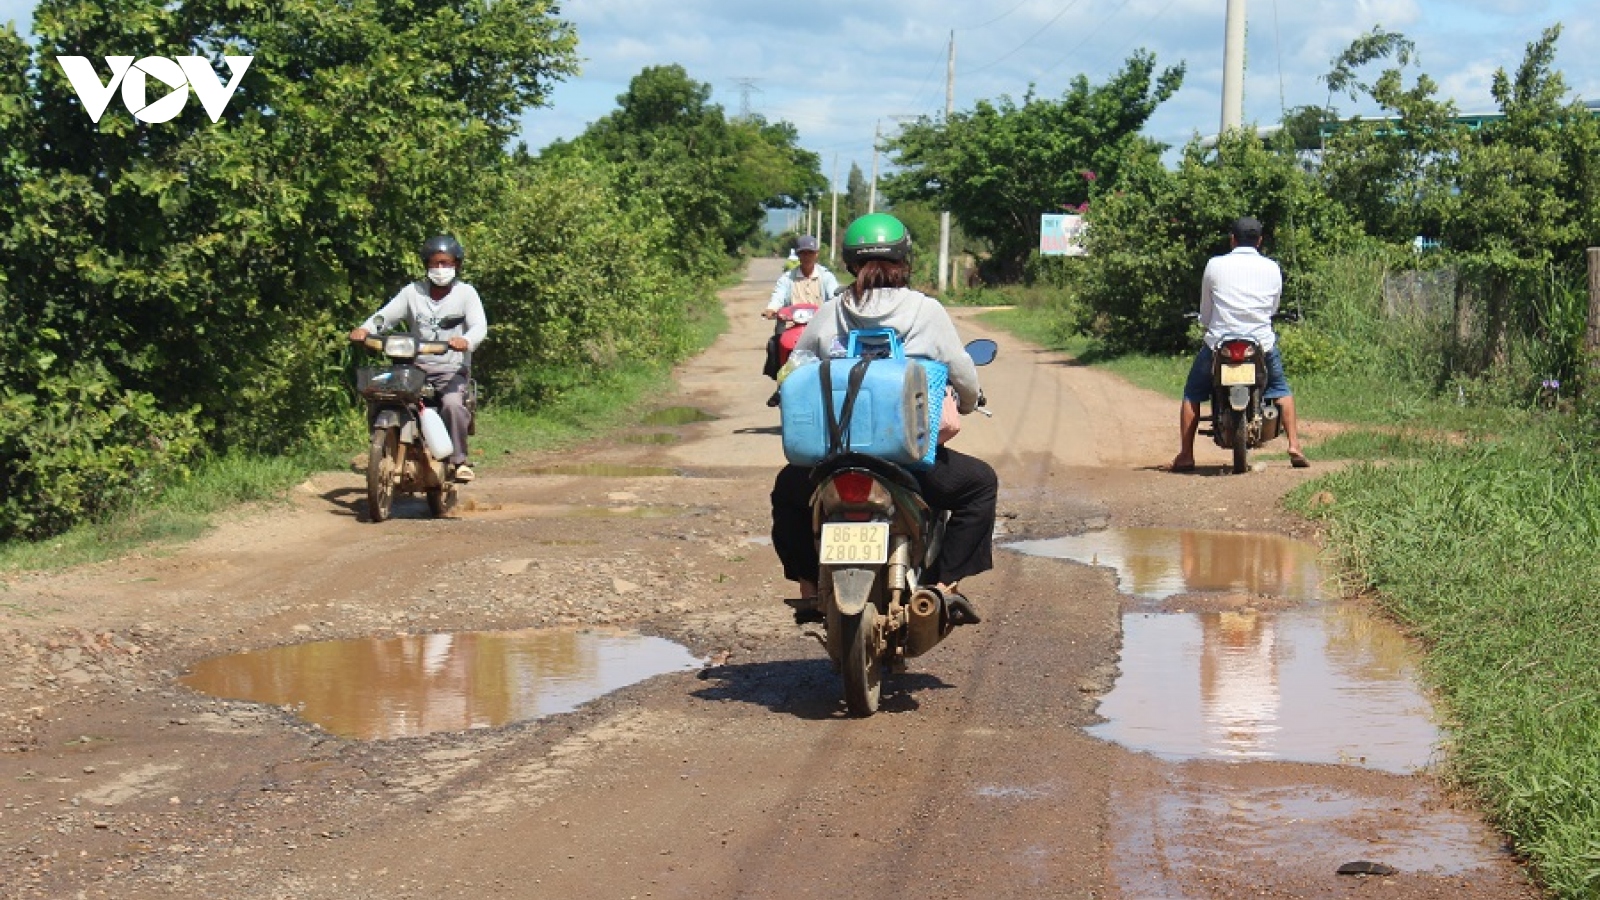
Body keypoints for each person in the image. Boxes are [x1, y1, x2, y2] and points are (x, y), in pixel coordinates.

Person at [770, 213, 998, 624]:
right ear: (905, 260)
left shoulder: (831, 311)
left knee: (788, 492)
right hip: (908, 462)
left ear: (850, 262)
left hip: (832, 463)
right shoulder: (925, 311)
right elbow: (960, 368)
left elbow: (797, 366)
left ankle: (807, 587)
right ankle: (943, 588)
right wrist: (967, 400)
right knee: (979, 485)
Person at [1171, 216, 1308, 472]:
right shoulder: (1272, 268)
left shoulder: (1215, 265)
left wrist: (1207, 321)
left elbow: (1206, 309)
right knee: (1280, 390)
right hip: (1260, 344)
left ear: (1232, 239)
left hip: (1219, 344)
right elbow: (1273, 307)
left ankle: (1186, 454)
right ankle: (1294, 445)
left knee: (1193, 394)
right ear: (1260, 241)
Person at [350, 234, 488, 483]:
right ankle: (383, 443)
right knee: (381, 394)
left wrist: (465, 341)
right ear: (426, 265)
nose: (440, 269)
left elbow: (479, 326)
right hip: (414, 367)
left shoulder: (466, 294)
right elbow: (385, 317)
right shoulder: (413, 292)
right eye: (435, 263)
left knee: (453, 405)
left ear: (456, 264)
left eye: (446, 263)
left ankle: (458, 461)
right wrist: (365, 329)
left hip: (451, 368)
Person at [764, 235, 839, 318]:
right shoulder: (787, 278)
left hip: (819, 324)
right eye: (803, 253)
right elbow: (778, 296)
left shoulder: (826, 277)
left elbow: (834, 296)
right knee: (779, 329)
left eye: (810, 252)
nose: (807, 257)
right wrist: (772, 308)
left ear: (816, 254)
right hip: (791, 323)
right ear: (797, 255)